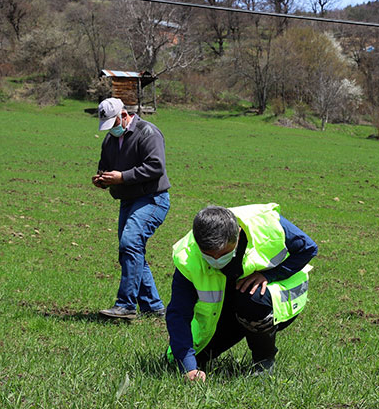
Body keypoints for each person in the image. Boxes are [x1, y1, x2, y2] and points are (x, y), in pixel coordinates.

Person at [165, 203, 318, 381]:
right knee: (177, 361)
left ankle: (264, 360)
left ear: (237, 234)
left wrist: (269, 275)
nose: (216, 260)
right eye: (208, 254)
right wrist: (188, 367)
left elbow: (309, 248)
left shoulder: (266, 222)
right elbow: (178, 313)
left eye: (223, 253)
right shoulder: (187, 256)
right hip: (224, 308)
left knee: (252, 299)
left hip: (270, 298)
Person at [92, 97, 171, 320]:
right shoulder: (109, 140)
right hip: (128, 200)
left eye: (113, 124)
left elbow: (156, 166)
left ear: (123, 115)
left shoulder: (148, 132)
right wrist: (102, 179)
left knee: (130, 244)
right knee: (132, 251)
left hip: (152, 199)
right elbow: (105, 167)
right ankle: (153, 307)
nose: (111, 130)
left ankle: (125, 305)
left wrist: (122, 177)